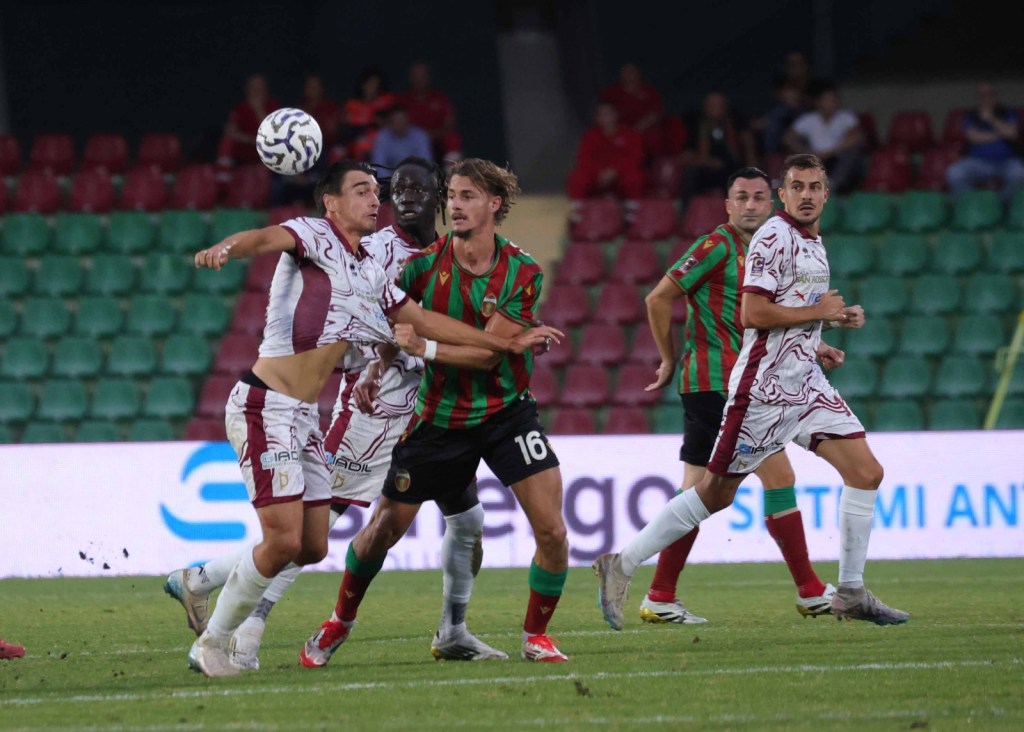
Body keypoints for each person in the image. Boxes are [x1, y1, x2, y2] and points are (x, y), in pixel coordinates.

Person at [173, 159, 559, 677]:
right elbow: (267, 238)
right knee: (309, 532)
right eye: (375, 190)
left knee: (324, 540)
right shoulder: (320, 235)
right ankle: (236, 634)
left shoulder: (371, 267)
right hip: (308, 407)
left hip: (391, 411)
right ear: (331, 202)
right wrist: (229, 246)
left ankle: (452, 629)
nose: (390, 199)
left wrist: (504, 343)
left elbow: (417, 320)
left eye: (409, 189)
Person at [595, 153, 910, 631]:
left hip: (805, 385)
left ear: (827, 194)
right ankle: (622, 564)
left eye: (815, 187)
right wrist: (818, 312)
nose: (806, 195)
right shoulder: (771, 238)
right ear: (784, 196)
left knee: (866, 471)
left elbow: (795, 312)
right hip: (761, 391)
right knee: (713, 494)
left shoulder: (812, 243)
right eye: (797, 187)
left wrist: (830, 324)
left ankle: (848, 591)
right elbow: (754, 315)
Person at [300, 158, 572, 667]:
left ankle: (535, 635)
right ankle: (339, 622)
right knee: (382, 528)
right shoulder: (423, 266)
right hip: (439, 417)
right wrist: (376, 367)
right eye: (451, 195)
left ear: (494, 204)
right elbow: (395, 323)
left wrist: (422, 347)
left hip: (506, 413)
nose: (454, 204)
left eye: (467, 195)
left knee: (553, 531)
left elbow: (489, 352)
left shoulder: (522, 271)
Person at [638, 166, 859, 625]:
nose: (752, 206)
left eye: (760, 197)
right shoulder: (717, 246)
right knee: (778, 478)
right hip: (722, 385)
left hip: (729, 383)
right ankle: (810, 589)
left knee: (696, 492)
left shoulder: (772, 248)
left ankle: (659, 594)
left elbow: (772, 319)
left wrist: (817, 346)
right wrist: (667, 358)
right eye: (742, 197)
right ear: (728, 204)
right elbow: (658, 298)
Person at [946, 82, 1024, 204]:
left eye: (990, 95)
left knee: (1020, 174)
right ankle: (972, 203)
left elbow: (1011, 134)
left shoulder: (1008, 112)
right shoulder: (970, 115)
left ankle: (998, 203)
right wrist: (1000, 134)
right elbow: (974, 137)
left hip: (1006, 161)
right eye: (982, 95)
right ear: (978, 99)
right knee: (954, 173)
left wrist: (991, 119)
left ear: (996, 97)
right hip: (976, 162)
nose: (987, 98)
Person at [783, 83, 865, 194]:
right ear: (818, 102)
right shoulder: (808, 119)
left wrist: (831, 152)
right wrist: (807, 153)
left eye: (834, 99)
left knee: (852, 151)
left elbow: (857, 137)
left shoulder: (846, 117)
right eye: (827, 100)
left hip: (836, 158)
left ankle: (834, 185)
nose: (832, 103)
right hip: (814, 160)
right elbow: (788, 138)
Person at [681, 91, 758, 204]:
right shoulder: (695, 124)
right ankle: (688, 215)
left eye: (719, 105)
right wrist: (707, 162)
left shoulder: (735, 121)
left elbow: (748, 147)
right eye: (711, 105)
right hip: (705, 169)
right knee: (690, 174)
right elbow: (685, 156)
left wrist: (752, 165)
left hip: (732, 170)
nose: (715, 109)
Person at [599, 61, 687, 159]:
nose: (628, 74)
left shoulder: (649, 92)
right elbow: (603, 112)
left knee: (672, 125)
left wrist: (635, 130)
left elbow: (655, 114)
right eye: (625, 71)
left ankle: (672, 159)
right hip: (619, 130)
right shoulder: (611, 93)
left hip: (644, 130)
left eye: (632, 71)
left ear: (638, 73)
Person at [566, 100, 646, 201]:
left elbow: (635, 157)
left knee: (635, 177)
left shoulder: (630, 134)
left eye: (608, 113)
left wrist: (615, 171)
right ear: (597, 118)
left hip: (620, 173)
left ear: (616, 115)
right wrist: (599, 171)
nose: (605, 117)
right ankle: (579, 210)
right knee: (576, 177)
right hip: (597, 174)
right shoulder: (590, 135)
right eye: (602, 114)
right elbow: (584, 157)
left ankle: (632, 211)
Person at [216, 74, 281, 179]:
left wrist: (258, 109)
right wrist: (251, 140)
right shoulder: (241, 107)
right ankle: (223, 181)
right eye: (253, 87)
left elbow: (273, 135)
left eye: (259, 87)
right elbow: (231, 132)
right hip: (244, 153)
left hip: (268, 154)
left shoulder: (272, 106)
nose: (256, 91)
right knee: (226, 143)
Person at [398, 61, 463, 165]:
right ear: (411, 78)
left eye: (422, 76)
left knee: (452, 138)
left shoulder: (440, 98)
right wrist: (420, 137)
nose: (419, 79)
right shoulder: (403, 100)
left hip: (436, 139)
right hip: (412, 141)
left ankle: (452, 175)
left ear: (428, 77)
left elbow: (449, 125)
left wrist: (427, 136)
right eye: (416, 76)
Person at [341, 67, 396, 162]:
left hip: (383, 142)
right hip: (359, 143)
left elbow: (395, 121)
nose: (373, 88)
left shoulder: (386, 101)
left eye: (376, 85)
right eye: (370, 84)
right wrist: (371, 120)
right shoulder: (352, 105)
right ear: (363, 85)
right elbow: (349, 126)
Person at [371, 105, 434, 169]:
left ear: (408, 120)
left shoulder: (420, 136)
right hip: (390, 176)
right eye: (396, 120)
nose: (399, 123)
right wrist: (391, 178)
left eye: (402, 119)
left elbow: (426, 163)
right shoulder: (382, 136)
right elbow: (379, 164)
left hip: (417, 175)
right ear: (390, 122)